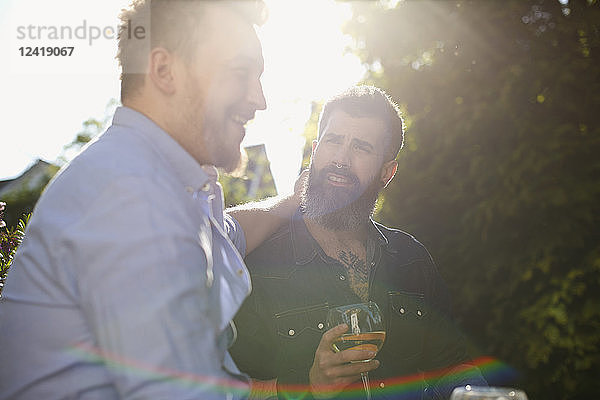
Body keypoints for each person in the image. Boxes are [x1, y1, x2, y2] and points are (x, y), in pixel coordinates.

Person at [0, 1, 297, 399]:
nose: (259, 99)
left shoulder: (155, 181)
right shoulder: (135, 196)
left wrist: (298, 199)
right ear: (164, 71)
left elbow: (229, 233)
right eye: (239, 73)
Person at [230, 86, 488, 400]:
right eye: (333, 141)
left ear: (387, 172)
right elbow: (223, 389)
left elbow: (452, 369)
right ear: (316, 150)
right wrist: (307, 386)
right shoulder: (258, 265)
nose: (340, 158)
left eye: (361, 148)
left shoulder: (411, 259)